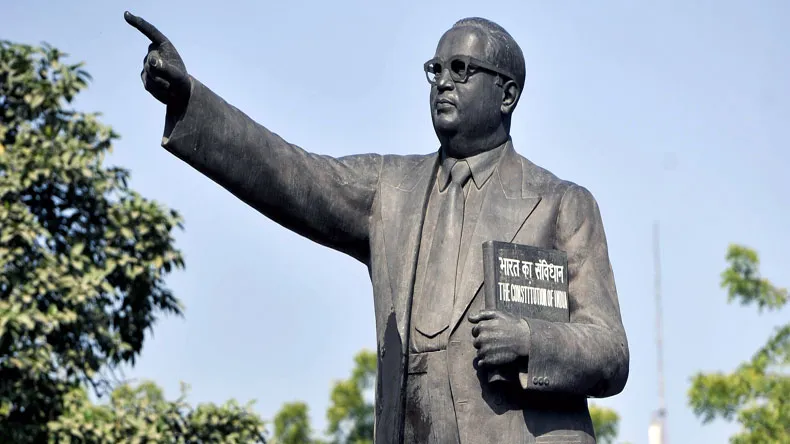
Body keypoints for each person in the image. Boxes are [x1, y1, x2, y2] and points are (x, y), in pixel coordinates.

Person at [125, 11, 629, 444]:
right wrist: (190, 100)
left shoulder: (560, 203)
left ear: (507, 95)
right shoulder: (389, 188)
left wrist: (528, 341)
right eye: (435, 70)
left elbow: (609, 351)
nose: (443, 82)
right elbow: (291, 173)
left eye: (462, 69)